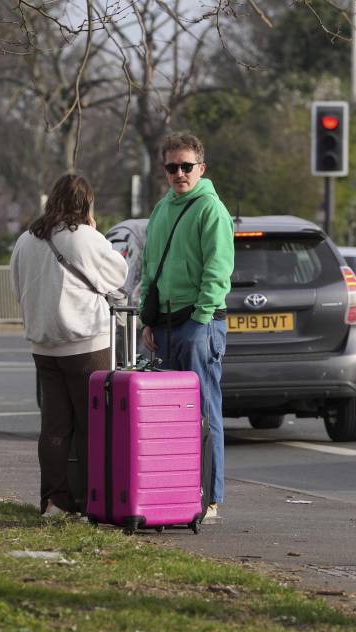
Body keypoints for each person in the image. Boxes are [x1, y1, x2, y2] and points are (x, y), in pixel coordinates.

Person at [11, 174, 128, 517]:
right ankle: (94, 498)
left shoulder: (26, 240)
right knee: (93, 425)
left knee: (54, 427)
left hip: (44, 345)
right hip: (86, 342)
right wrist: (94, 230)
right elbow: (117, 274)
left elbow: (18, 289)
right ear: (86, 204)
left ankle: (54, 500)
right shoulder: (85, 237)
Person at [139, 132, 234, 522]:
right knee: (169, 415)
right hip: (164, 324)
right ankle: (175, 491)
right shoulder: (162, 209)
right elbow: (149, 267)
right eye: (172, 167)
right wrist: (149, 318)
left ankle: (209, 498)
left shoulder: (210, 209)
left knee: (204, 411)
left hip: (198, 323)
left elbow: (218, 269)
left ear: (201, 168)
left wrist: (200, 318)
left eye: (186, 166)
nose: (179, 173)